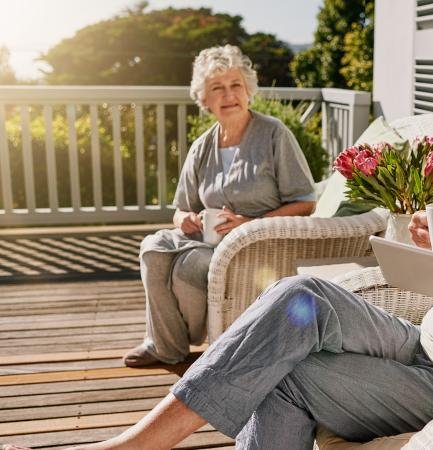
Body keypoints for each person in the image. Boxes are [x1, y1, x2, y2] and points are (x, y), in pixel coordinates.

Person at [3, 45, 433, 450]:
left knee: (282, 374)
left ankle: (134, 445)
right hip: (418, 340)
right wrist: (426, 240)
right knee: (298, 296)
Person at [122, 44, 317, 367]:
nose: (229, 95)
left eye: (235, 85)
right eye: (218, 88)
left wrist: (248, 223)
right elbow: (180, 208)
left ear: (248, 91)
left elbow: (305, 202)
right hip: (208, 239)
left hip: (255, 243)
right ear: (205, 100)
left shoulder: (273, 134)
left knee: (189, 266)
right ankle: (164, 346)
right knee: (153, 249)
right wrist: (185, 219)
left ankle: (194, 341)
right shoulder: (203, 146)